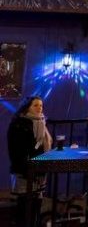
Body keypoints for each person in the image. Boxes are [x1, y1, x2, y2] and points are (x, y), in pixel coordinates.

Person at [8, 96, 52, 227]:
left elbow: (46, 143)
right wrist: (25, 167)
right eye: (36, 105)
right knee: (24, 202)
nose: (40, 108)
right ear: (27, 107)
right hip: (25, 169)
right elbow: (16, 149)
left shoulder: (42, 122)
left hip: (39, 168)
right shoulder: (19, 123)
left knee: (37, 201)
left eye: (41, 105)